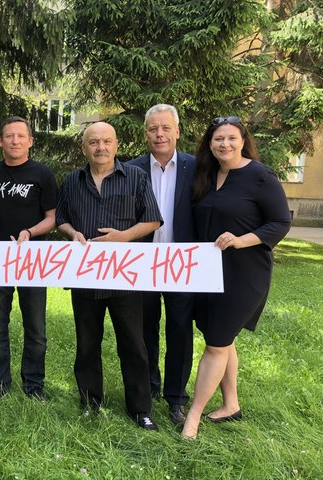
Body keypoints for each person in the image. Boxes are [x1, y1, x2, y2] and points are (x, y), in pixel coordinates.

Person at [180, 116, 291, 439]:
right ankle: (231, 405)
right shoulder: (208, 175)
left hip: (245, 272)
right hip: (209, 271)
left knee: (216, 342)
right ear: (209, 144)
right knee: (222, 338)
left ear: (243, 141)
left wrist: (243, 239)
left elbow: (280, 222)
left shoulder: (260, 176)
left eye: (231, 138)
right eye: (218, 139)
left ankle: (194, 417)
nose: (224, 144)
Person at [56, 122, 162, 430]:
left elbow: (153, 220)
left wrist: (124, 236)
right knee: (87, 343)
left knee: (133, 344)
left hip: (125, 276)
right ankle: (90, 402)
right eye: (93, 142)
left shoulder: (136, 178)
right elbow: (61, 218)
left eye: (106, 141)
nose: (100, 147)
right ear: (84, 148)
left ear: (116, 145)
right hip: (86, 276)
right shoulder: (72, 181)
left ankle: (141, 409)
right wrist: (72, 232)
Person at [0, 116, 58, 409]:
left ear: (30, 141)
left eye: (20, 136)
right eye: (8, 136)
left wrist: (29, 232)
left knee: (36, 328)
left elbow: (52, 218)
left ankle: (34, 384)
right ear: (0, 141)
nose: (14, 141)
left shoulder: (42, 174)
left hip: (31, 258)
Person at [128, 104, 196, 425]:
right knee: (145, 330)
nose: (160, 134)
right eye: (154, 128)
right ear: (146, 134)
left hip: (182, 264)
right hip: (143, 262)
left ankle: (176, 398)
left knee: (181, 331)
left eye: (166, 128)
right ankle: (150, 388)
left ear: (177, 131)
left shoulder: (196, 169)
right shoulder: (131, 170)